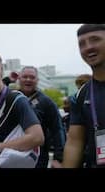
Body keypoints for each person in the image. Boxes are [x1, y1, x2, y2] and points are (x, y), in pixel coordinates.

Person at [52, 24, 105, 168]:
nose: (88, 47)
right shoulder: (81, 95)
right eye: (82, 44)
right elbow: (75, 142)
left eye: (95, 40)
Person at [3, 66, 66, 168]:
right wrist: (8, 80)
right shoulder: (11, 97)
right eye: (25, 77)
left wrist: (59, 158)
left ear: (37, 80)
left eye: (32, 77)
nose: (28, 80)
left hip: (37, 157)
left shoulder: (47, 102)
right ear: (19, 79)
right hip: (9, 153)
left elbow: (58, 129)